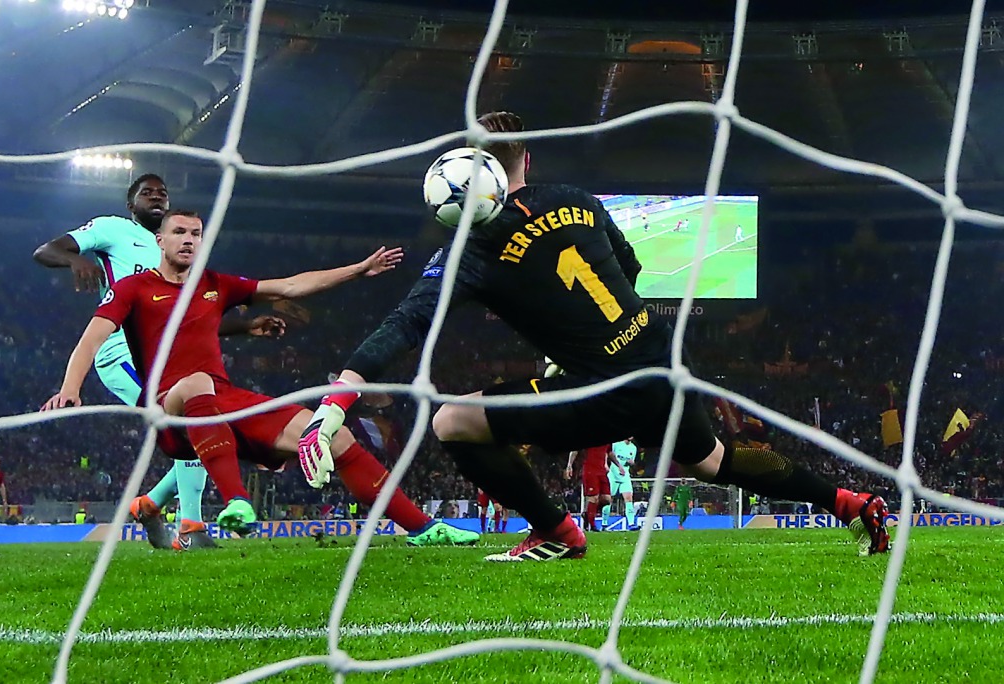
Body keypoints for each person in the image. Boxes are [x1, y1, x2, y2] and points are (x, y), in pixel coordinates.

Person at [299, 111, 891, 562]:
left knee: (451, 421)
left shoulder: (470, 250)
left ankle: (556, 533)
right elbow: (630, 269)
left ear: (468, 169)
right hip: (659, 358)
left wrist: (338, 398)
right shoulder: (575, 200)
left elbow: (406, 323)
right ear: (524, 159)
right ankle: (850, 504)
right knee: (712, 462)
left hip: (608, 387)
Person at [42, 210, 477, 548]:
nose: (189, 239)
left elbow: (289, 287)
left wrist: (358, 270)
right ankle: (236, 502)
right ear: (159, 241)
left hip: (222, 399)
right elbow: (93, 337)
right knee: (196, 383)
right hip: (168, 407)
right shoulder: (135, 287)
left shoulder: (216, 284)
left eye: (196, 233)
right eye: (180, 233)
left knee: (331, 435)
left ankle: (423, 527)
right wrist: (69, 388)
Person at [33, 174, 286, 550]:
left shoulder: (175, 253)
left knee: (197, 431)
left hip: (175, 360)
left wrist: (247, 326)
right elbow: (45, 251)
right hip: (125, 355)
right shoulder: (112, 229)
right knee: (190, 424)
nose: (157, 197)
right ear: (130, 204)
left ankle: (150, 506)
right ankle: (193, 527)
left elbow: (192, 320)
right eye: (147, 192)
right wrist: (75, 260)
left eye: (163, 193)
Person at [565, 445, 612, 532]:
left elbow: (609, 452)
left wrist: (618, 465)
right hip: (590, 471)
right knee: (593, 498)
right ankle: (592, 525)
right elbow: (575, 450)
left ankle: (587, 514)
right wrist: (569, 465)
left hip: (602, 471)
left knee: (607, 499)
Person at [608, 437, 639, 530]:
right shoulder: (616, 444)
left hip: (625, 475)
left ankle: (631, 523)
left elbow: (632, 463)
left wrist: (631, 463)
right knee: (609, 499)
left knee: (629, 498)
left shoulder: (633, 448)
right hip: (613, 474)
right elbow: (609, 455)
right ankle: (604, 523)